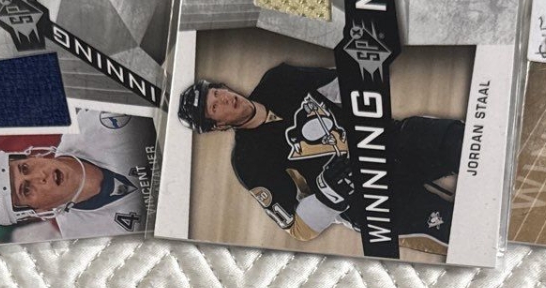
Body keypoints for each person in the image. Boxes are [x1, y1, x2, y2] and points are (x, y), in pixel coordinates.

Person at [177, 70, 459, 251]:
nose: (225, 99)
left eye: (217, 93)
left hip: (388, 141)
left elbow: (340, 84)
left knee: (461, 142)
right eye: (214, 107)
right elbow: (298, 229)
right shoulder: (247, 162)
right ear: (218, 126)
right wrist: (329, 196)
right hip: (366, 201)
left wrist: (363, 73)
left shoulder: (278, 79)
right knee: (457, 231)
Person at [0, 109, 148, 240]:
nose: (40, 176)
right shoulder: (87, 241)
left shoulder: (92, 123)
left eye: (25, 168)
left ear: (31, 156)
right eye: (26, 190)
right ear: (36, 212)